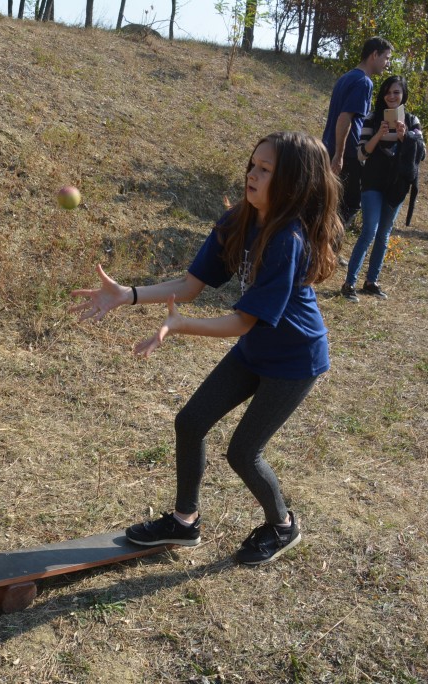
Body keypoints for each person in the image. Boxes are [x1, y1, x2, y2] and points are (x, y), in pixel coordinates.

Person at [69, 132, 343, 566]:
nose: (252, 174)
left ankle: (282, 525)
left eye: (265, 169)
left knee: (243, 453)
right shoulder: (239, 221)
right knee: (191, 421)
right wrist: (129, 294)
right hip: (258, 350)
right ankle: (184, 522)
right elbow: (191, 285)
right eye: (252, 164)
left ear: (292, 182)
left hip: (294, 361)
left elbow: (241, 322)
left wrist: (179, 326)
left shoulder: (287, 241)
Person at [341, 76, 426, 302]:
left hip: (397, 184)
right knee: (369, 230)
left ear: (403, 95)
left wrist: (405, 136)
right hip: (372, 181)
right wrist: (379, 134)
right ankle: (349, 283)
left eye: (396, 92)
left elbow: (422, 153)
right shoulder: (372, 117)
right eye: (388, 92)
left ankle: (371, 282)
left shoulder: (411, 120)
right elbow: (361, 154)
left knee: (384, 234)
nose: (391, 96)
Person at [322, 37, 393, 228]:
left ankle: (322, 250)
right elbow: (345, 118)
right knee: (350, 205)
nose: (388, 64)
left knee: (331, 204)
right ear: (374, 55)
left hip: (328, 147)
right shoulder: (364, 82)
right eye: (386, 58)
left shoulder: (346, 77)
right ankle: (329, 250)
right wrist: (340, 154)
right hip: (348, 153)